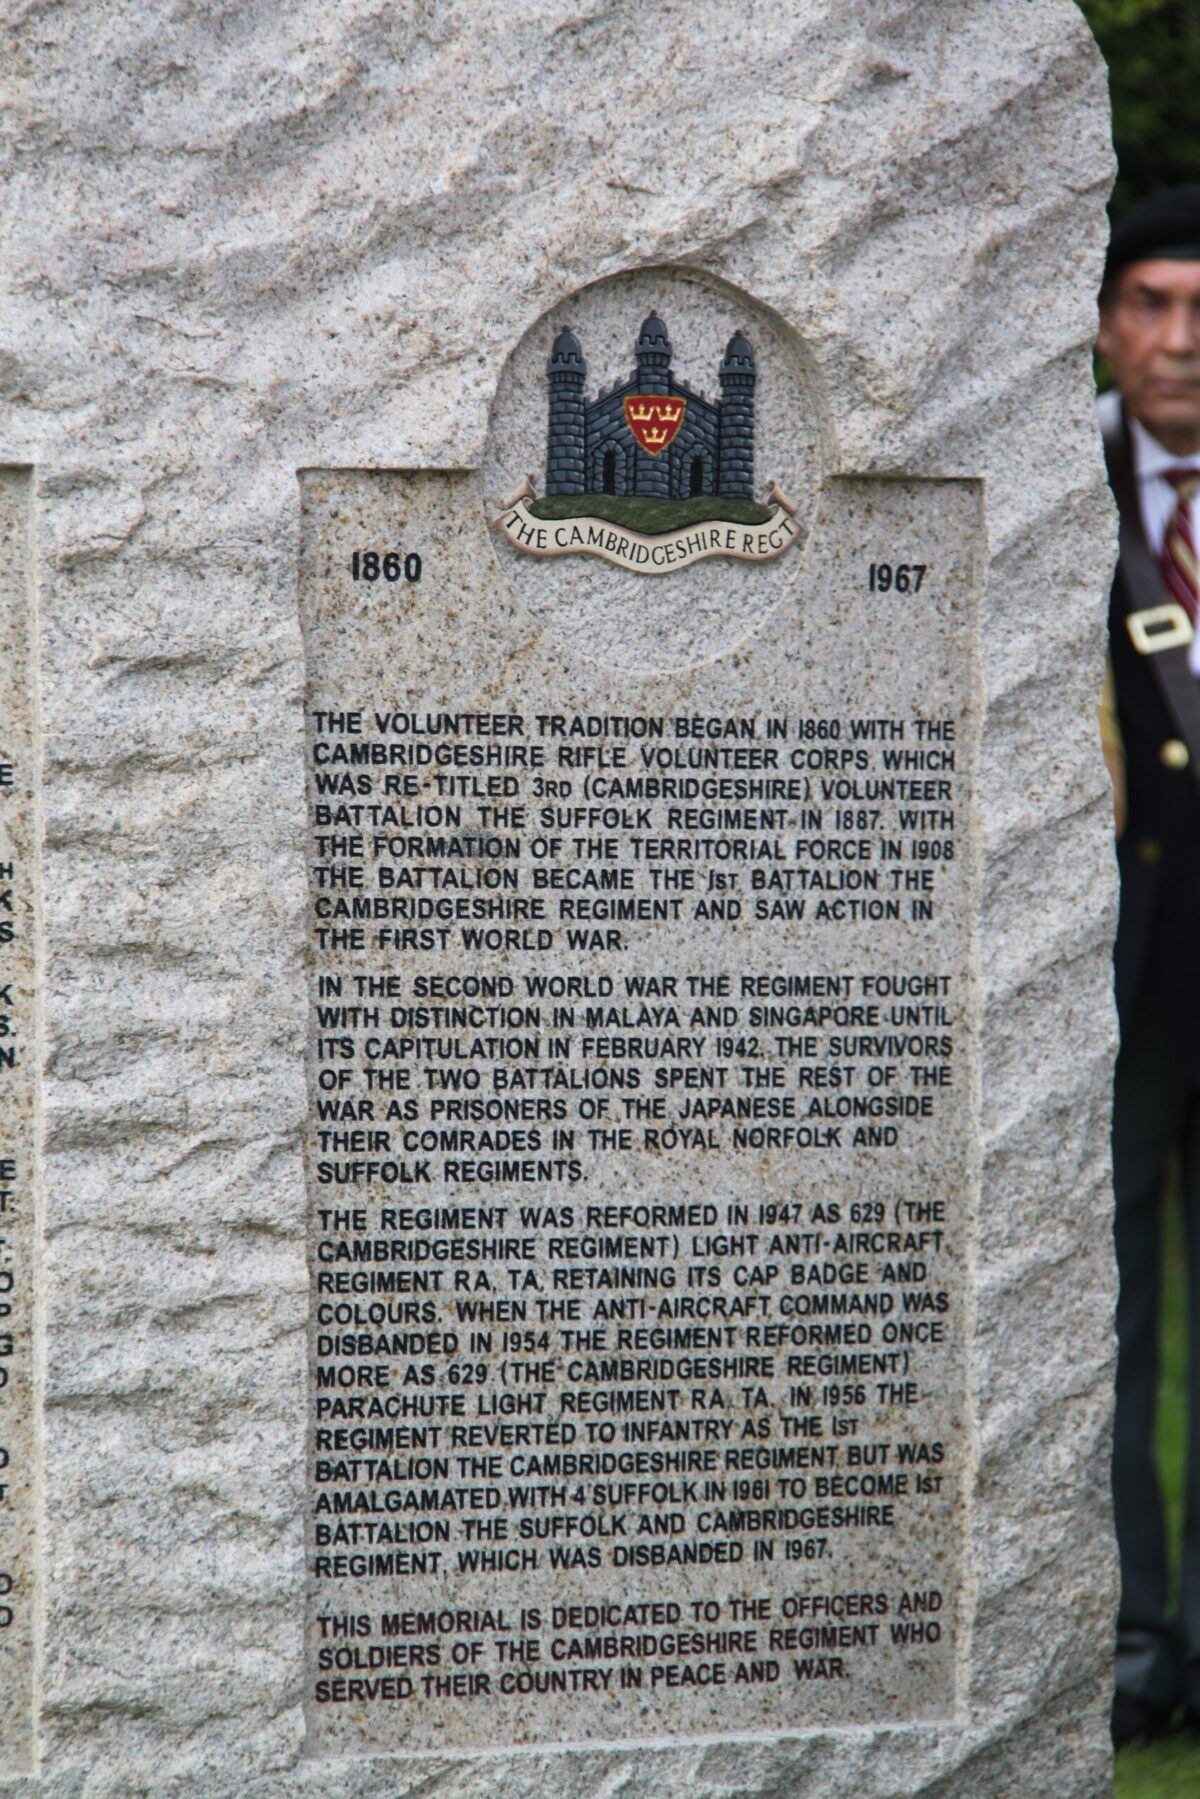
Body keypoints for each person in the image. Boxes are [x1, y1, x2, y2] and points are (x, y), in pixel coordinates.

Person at [1098, 184, 1200, 1747]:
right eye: (1157, 307)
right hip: (1107, 978)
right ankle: (1118, 1643)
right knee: (1099, 1323)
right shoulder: (1049, 487)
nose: (1186, 344)